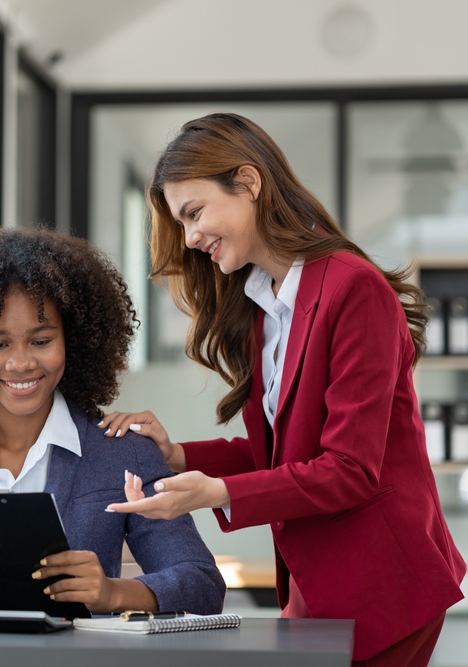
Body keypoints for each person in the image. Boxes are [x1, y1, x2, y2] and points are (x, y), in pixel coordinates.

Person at [99, 113, 465, 666]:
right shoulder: (263, 307)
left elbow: (348, 468)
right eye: (182, 223)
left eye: (194, 213)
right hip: (318, 582)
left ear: (248, 182)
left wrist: (216, 494)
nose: (191, 237)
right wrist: (176, 457)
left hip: (383, 581)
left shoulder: (352, 288)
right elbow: (281, 454)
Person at [0, 228, 225, 616]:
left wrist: (112, 592)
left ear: (72, 341)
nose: (21, 363)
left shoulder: (123, 449)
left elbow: (202, 584)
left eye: (41, 342)